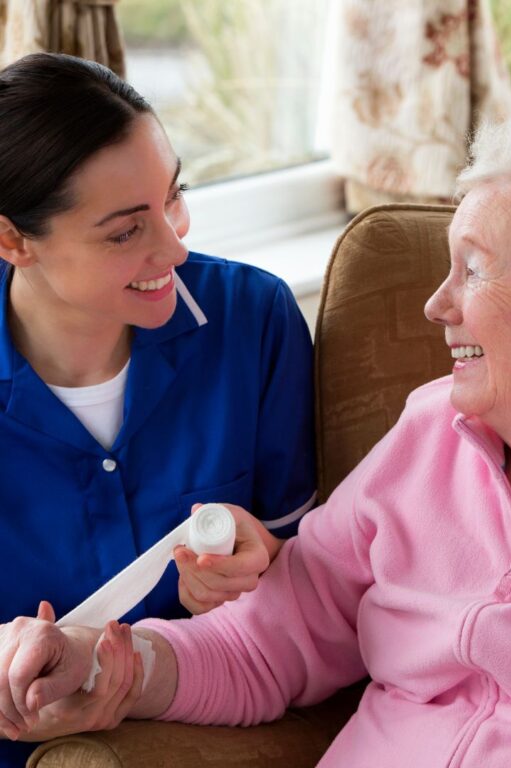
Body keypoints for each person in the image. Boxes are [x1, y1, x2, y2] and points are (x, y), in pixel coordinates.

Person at [3, 107, 511, 768]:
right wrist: (106, 666)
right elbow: (264, 646)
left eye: (472, 271)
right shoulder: (428, 434)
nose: (438, 305)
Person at [0, 53, 316, 765]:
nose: (175, 246)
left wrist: (262, 558)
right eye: (124, 232)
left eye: (175, 195)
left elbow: (322, 580)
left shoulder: (252, 319)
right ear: (13, 239)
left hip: (210, 734)